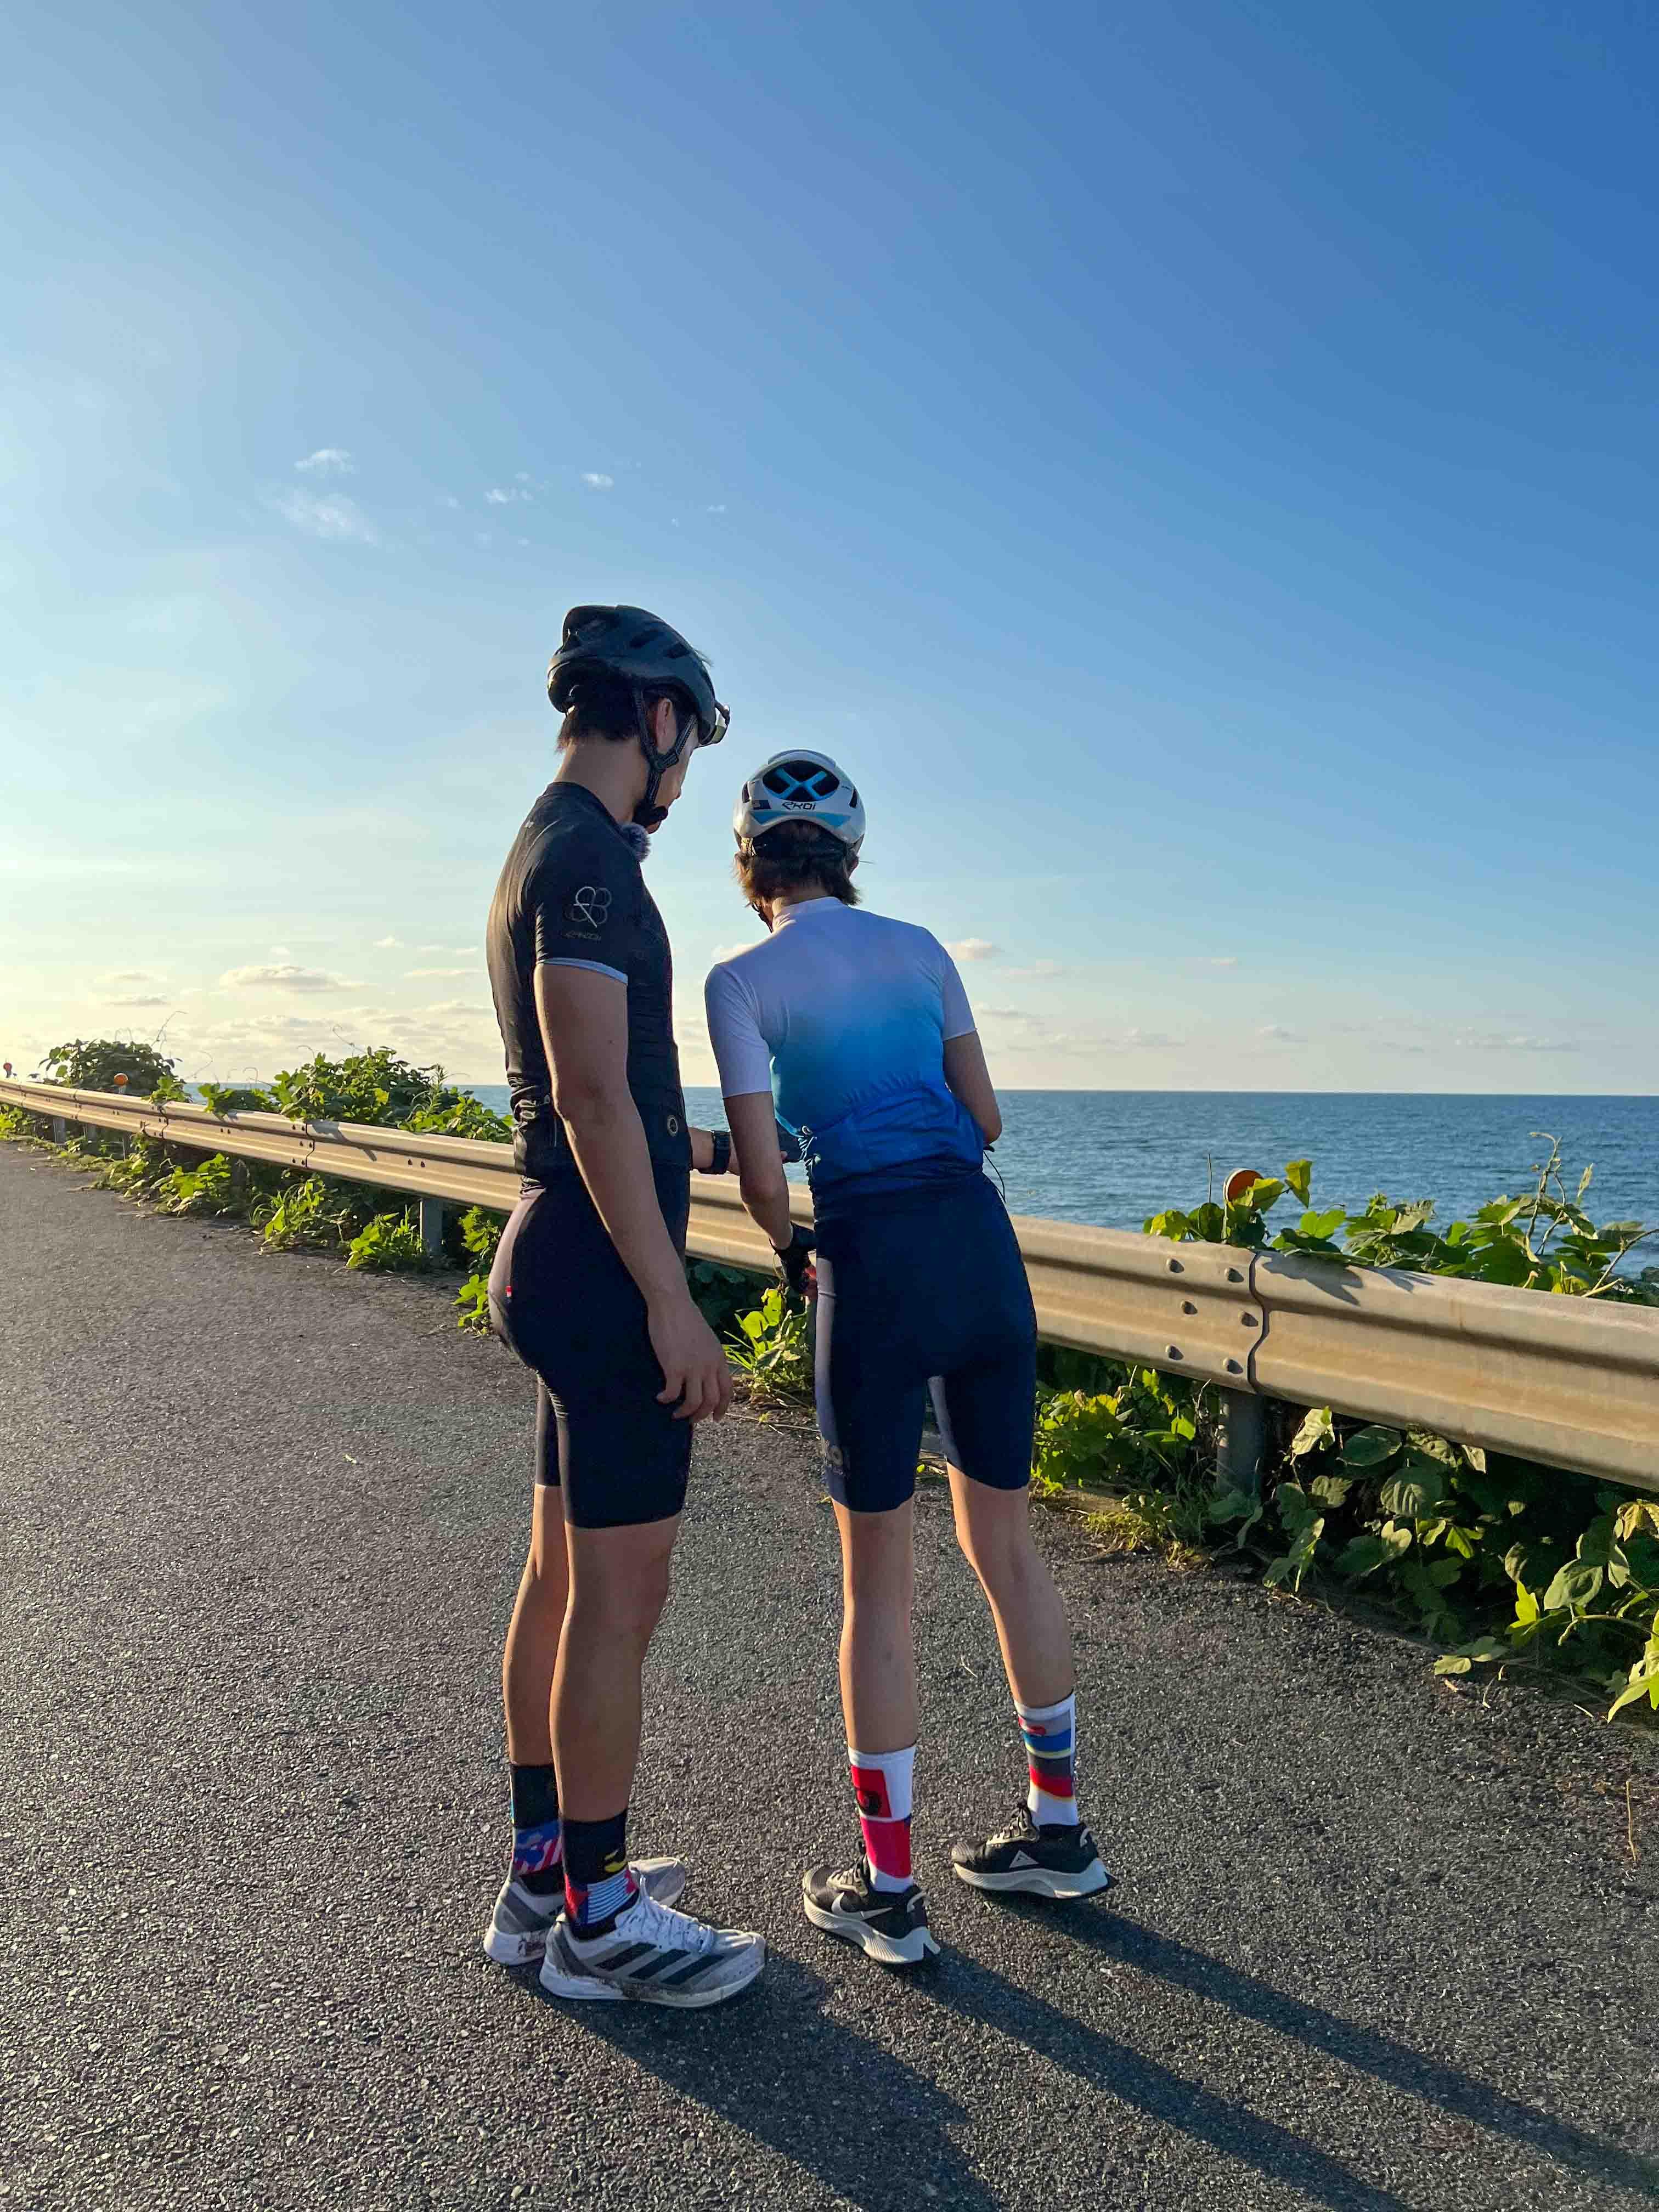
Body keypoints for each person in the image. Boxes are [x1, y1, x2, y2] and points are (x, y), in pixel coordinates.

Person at [704, 751, 1110, 1968]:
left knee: (876, 1582)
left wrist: (791, 1245)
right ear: (851, 857)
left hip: (871, 1262)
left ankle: (890, 1892)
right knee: (1008, 1547)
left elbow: (772, 1182)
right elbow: (985, 1119)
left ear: (749, 865)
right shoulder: (925, 949)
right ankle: (1060, 1832)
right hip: (981, 1252)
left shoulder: (739, 981)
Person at [479, 605, 764, 2008]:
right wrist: (674, 1300)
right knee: (619, 1605)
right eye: (691, 740)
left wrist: (719, 1155)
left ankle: (547, 1874)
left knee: (561, 1582)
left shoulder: (547, 847)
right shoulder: (591, 863)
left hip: (557, 1248)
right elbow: (590, 1090)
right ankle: (600, 1917)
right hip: (600, 1270)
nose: (687, 771)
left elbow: (616, 1103)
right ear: (653, 717)